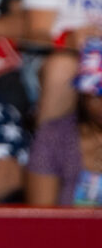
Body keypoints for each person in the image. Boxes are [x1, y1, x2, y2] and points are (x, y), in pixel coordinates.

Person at [26, 38, 102, 206]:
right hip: (65, 232)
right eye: (96, 95)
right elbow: (41, 216)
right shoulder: (54, 136)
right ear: (82, 95)